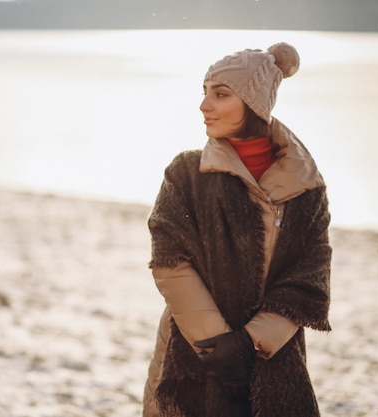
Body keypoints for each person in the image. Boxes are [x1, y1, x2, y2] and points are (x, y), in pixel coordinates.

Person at [142, 43, 332, 417]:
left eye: (221, 94)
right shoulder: (186, 174)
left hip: (274, 360)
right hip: (193, 354)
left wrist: (249, 345)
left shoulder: (306, 189)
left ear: (255, 103)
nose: (204, 106)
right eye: (205, 92)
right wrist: (218, 348)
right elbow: (170, 262)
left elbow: (310, 279)